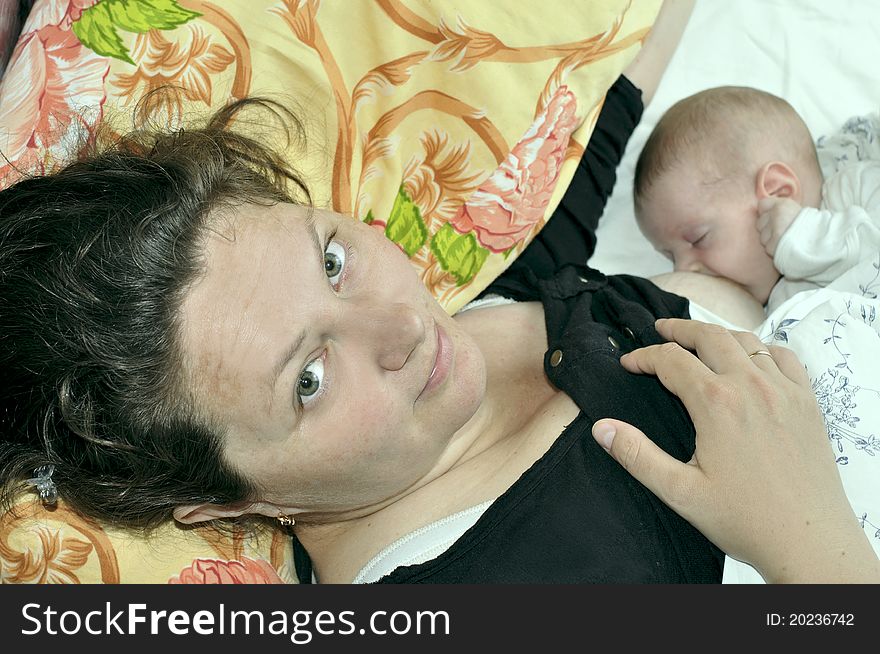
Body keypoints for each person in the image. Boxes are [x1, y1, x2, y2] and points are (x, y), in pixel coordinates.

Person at [0, 0, 877, 584]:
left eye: (333, 259)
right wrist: (817, 552)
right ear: (231, 503)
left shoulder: (471, 324)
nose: (401, 327)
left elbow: (595, 114)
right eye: (307, 378)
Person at [632, 85, 880, 317]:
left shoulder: (854, 188)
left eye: (698, 238)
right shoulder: (772, 309)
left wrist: (806, 236)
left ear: (778, 192)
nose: (683, 269)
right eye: (671, 257)